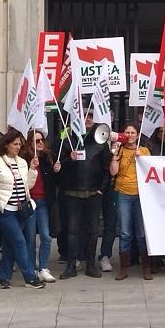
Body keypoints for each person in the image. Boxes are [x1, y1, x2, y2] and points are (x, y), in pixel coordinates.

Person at [0, 130, 45, 289]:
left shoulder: (22, 162)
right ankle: (30, 277)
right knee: (19, 241)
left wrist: (32, 170)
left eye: (19, 144)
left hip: (21, 209)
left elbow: (27, 185)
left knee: (10, 243)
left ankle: (4, 278)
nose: (18, 147)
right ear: (6, 144)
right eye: (15, 144)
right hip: (4, 210)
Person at [58, 111, 111, 280]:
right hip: (72, 193)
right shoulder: (68, 140)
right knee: (72, 230)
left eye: (90, 116)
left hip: (93, 193)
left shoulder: (100, 141)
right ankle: (71, 265)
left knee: (93, 231)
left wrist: (102, 188)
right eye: (84, 116)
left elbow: (106, 168)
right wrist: (69, 160)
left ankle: (91, 265)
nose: (87, 119)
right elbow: (58, 168)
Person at [110, 123, 152, 280]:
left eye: (132, 132)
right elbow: (113, 172)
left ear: (137, 134)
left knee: (141, 234)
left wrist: (141, 157)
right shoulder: (119, 149)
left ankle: (146, 267)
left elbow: (151, 170)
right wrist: (114, 157)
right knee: (125, 232)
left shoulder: (144, 151)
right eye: (127, 132)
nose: (130, 135)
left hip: (141, 195)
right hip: (123, 194)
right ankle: (123, 269)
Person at [21, 131, 60, 283]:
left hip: (44, 202)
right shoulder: (24, 159)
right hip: (30, 201)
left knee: (46, 236)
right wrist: (31, 166)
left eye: (42, 140)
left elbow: (55, 182)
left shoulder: (48, 157)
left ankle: (43, 267)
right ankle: (32, 269)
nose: (40, 143)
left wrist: (57, 170)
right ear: (30, 143)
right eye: (36, 141)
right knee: (30, 237)